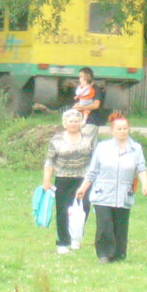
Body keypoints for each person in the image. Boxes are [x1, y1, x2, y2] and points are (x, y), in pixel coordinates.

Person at [75, 113, 147, 263]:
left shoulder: (136, 148)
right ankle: (104, 254)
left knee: (120, 224)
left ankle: (119, 254)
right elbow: (93, 170)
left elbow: (141, 168)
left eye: (125, 128)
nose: (122, 131)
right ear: (112, 131)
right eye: (119, 128)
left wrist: (145, 185)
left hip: (124, 193)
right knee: (104, 224)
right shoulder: (103, 147)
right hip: (103, 192)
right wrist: (83, 188)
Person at [42, 108, 99, 254]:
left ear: (81, 122)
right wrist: (46, 180)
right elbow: (50, 160)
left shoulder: (88, 138)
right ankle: (63, 242)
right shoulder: (57, 139)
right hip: (63, 179)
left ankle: (76, 239)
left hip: (84, 179)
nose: (73, 123)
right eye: (70, 121)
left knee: (83, 208)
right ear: (64, 123)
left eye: (76, 121)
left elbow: (96, 160)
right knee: (63, 210)